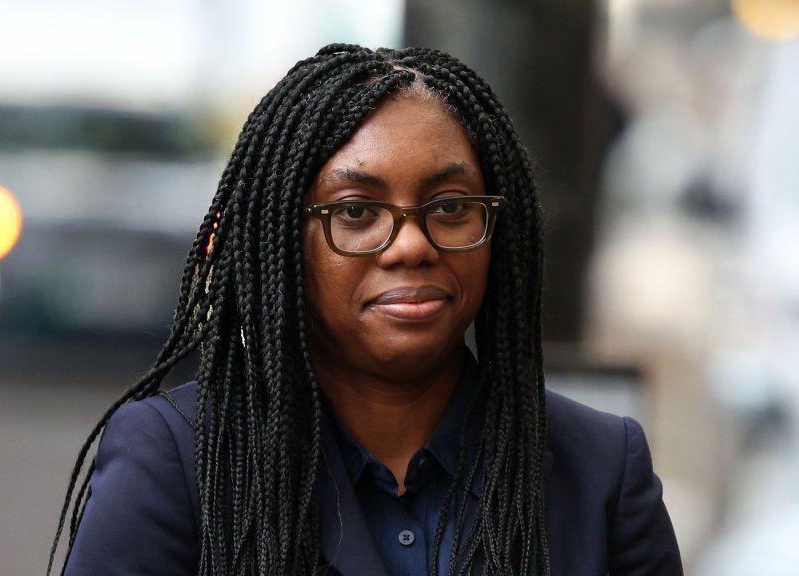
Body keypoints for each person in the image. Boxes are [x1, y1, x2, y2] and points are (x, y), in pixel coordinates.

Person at [48, 43, 683, 576]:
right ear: (282, 240)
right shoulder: (178, 458)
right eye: (355, 211)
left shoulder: (600, 468)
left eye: (451, 207)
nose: (412, 244)